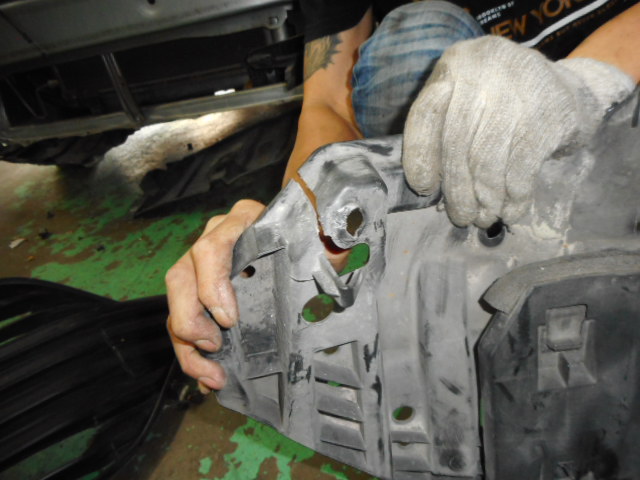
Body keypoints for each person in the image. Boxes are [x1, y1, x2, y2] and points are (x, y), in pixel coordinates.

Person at [165, 0, 640, 394]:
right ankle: (451, 289)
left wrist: (583, 86)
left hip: (615, 87)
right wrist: (296, 225)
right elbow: (327, 104)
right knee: (414, 42)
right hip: (454, 145)